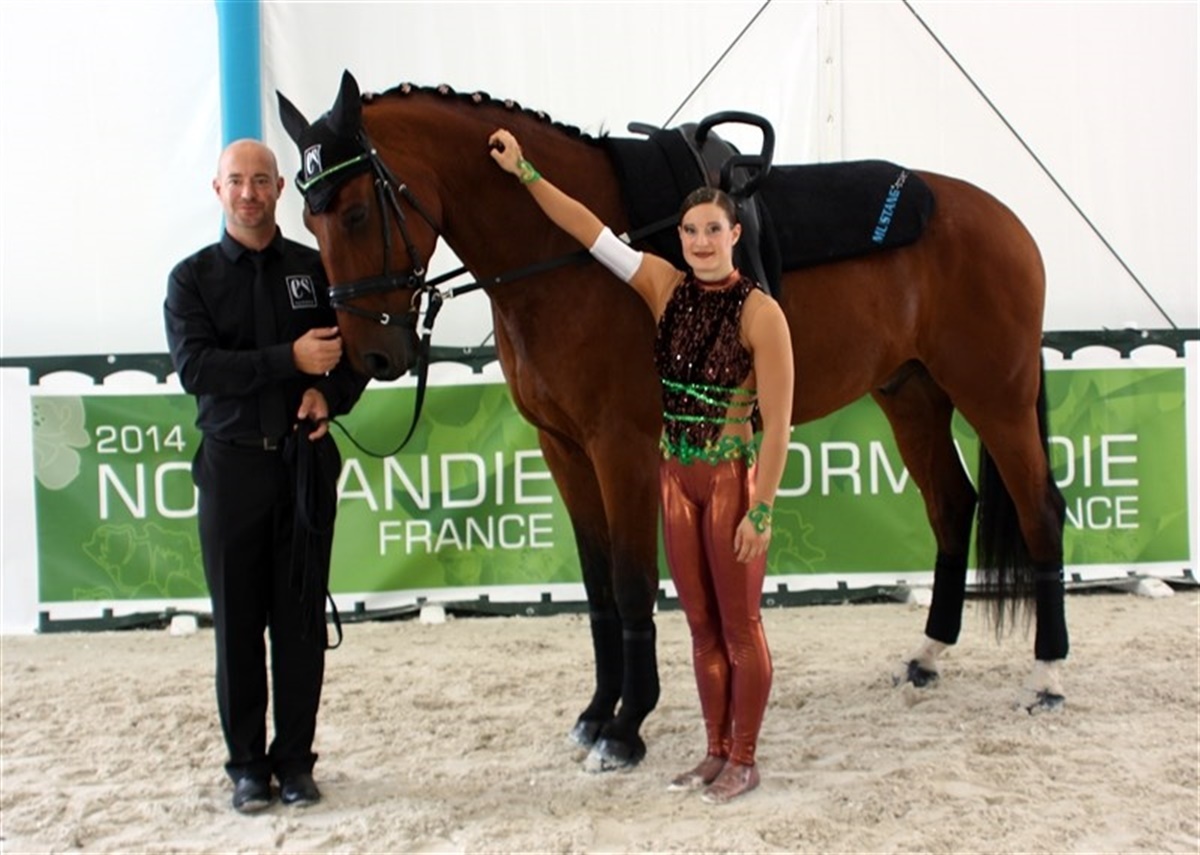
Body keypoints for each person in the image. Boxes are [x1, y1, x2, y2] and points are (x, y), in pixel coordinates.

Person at [488, 129, 794, 804]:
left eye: (713, 229)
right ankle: (714, 749)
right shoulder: (662, 285)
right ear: (679, 237)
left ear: (735, 233)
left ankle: (744, 756)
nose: (702, 242)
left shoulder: (761, 313)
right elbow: (588, 230)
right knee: (701, 626)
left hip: (729, 478)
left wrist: (763, 506)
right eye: (690, 231)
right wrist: (526, 172)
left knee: (740, 627)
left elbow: (779, 424)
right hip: (676, 479)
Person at [164, 139, 368, 813]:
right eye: (237, 181)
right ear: (217, 189)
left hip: (303, 466)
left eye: (261, 180)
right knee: (238, 627)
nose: (249, 192)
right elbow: (198, 369)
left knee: (301, 624)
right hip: (231, 471)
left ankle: (296, 762)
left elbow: (355, 358)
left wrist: (328, 395)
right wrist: (290, 360)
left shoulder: (317, 268)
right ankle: (248, 767)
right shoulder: (190, 279)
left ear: (281, 188)